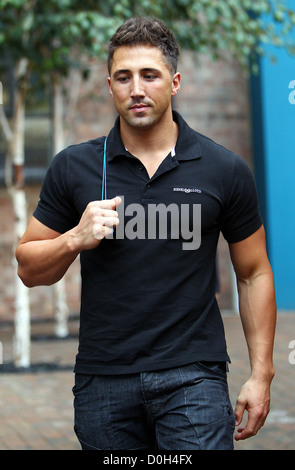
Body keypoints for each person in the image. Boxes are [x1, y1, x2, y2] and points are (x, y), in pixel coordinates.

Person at [16, 17, 276, 451]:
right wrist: (74, 239)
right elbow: (27, 267)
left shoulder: (223, 168)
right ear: (110, 85)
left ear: (174, 82)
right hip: (103, 381)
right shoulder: (75, 167)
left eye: (149, 75)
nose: (136, 88)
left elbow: (253, 273)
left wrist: (261, 373)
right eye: (124, 77)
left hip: (193, 376)